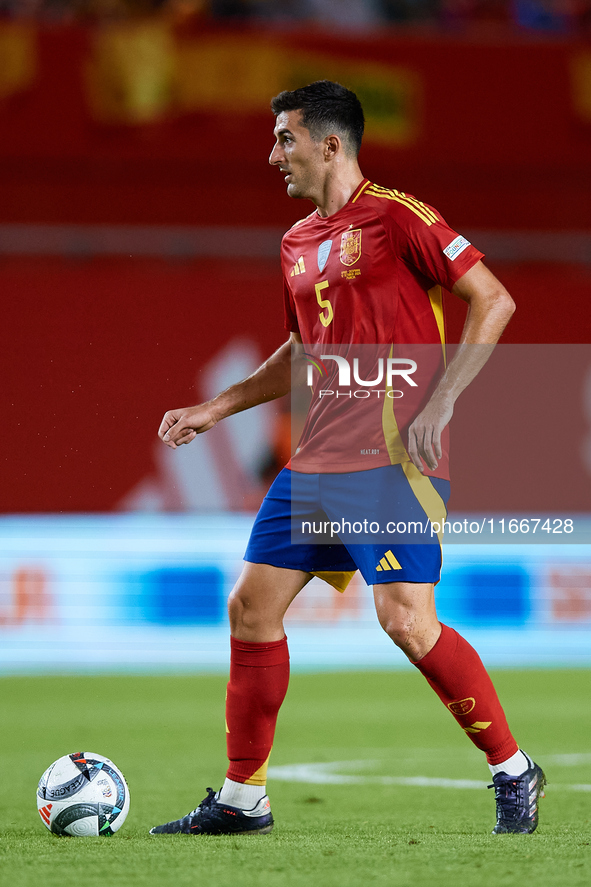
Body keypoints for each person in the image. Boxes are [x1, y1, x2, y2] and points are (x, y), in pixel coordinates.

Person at [150, 80, 545, 837]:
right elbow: (302, 351)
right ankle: (243, 799)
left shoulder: (401, 218)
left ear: (330, 144)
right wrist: (215, 407)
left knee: (405, 621)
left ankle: (512, 768)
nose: (273, 155)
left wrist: (444, 400)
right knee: (250, 608)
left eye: (284, 139)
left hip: (395, 458)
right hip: (317, 461)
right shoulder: (294, 242)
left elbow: (493, 298)